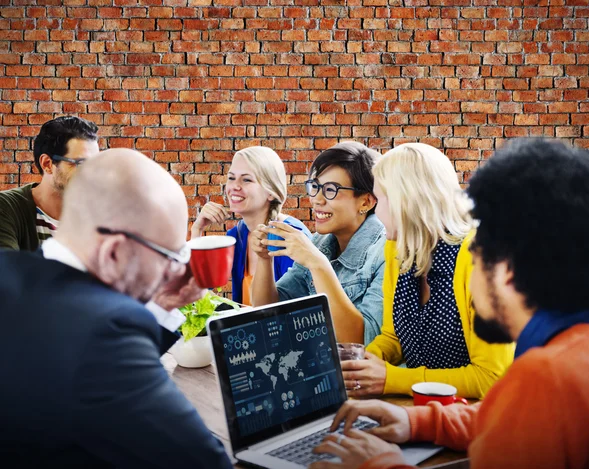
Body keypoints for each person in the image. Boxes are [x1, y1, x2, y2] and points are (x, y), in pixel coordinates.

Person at [308, 138, 589, 469]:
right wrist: (419, 423)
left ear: (504, 267)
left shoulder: (542, 379)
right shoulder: (574, 358)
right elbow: (503, 416)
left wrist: (383, 465)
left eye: (480, 246)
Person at [0, 149, 232, 468]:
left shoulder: (11, 271)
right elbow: (206, 462)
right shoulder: (103, 337)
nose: (176, 271)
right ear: (113, 254)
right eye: (171, 257)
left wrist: (162, 305)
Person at [341, 143, 514, 399]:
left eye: (381, 200)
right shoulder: (396, 247)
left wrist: (392, 379)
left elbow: (491, 378)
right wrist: (365, 363)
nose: (376, 212)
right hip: (422, 413)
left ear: (406, 202)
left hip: (479, 420)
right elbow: (394, 336)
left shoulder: (482, 259)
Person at [250, 141, 386, 345]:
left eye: (331, 189)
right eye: (315, 187)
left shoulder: (385, 252)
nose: (316, 199)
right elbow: (269, 311)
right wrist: (263, 259)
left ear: (366, 202)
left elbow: (363, 342)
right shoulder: (320, 242)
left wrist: (318, 264)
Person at [191, 146, 310, 305]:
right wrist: (196, 231)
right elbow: (200, 290)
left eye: (246, 179)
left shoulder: (291, 237)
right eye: (231, 178)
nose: (235, 186)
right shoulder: (236, 235)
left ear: (271, 192)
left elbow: (294, 311)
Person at [0, 115, 99, 251]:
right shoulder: (7, 207)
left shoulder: (98, 214)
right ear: (47, 164)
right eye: (81, 163)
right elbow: (7, 269)